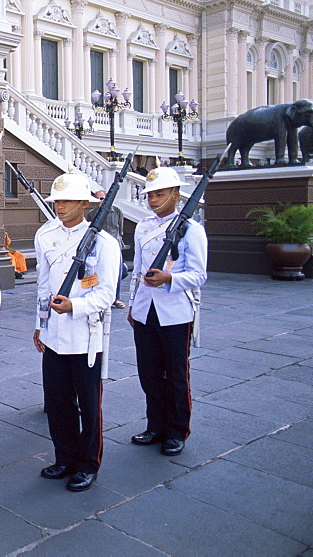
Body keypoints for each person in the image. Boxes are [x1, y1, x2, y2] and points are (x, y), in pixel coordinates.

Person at [33, 172, 120, 492]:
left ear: (85, 203)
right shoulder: (45, 235)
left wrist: (75, 306)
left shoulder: (103, 242)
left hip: (86, 335)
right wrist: (39, 325)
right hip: (54, 334)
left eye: (67, 200)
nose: (60, 205)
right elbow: (42, 287)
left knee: (88, 403)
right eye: (57, 200)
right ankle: (64, 457)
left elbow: (106, 293)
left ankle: (87, 464)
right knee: (57, 402)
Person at [127, 166, 207, 457]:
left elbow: (199, 275)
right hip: (146, 310)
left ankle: (177, 430)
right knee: (148, 373)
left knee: (175, 374)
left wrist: (169, 278)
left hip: (175, 312)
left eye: (159, 194)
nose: (152, 200)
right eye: (149, 195)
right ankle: (155, 426)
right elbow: (137, 270)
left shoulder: (191, 229)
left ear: (175, 194)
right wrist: (134, 304)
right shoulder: (144, 226)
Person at [89, 187, 126, 308]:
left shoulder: (117, 211)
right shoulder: (92, 214)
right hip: (99, 247)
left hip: (115, 247)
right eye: (98, 199)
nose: (100, 201)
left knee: (118, 273)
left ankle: (116, 298)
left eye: (102, 198)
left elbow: (120, 229)